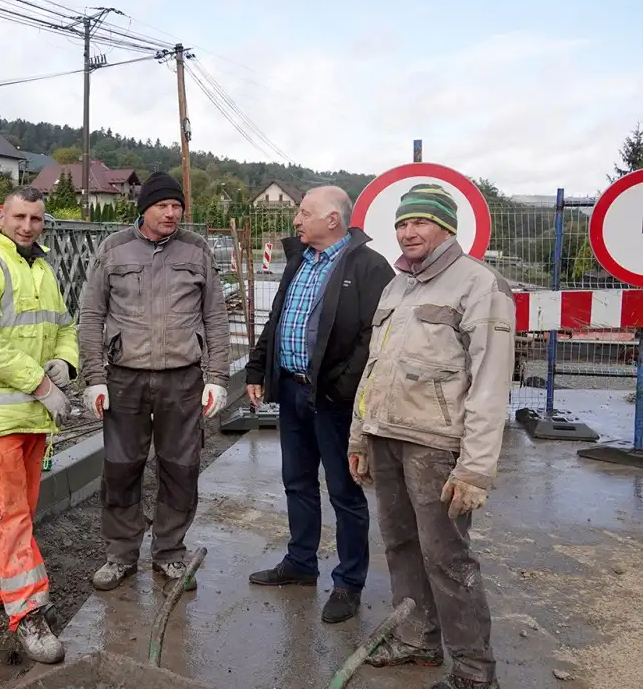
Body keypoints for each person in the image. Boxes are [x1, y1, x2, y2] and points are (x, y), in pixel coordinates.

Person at [347, 183, 514, 689]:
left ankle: (473, 672)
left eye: (419, 222)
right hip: (386, 435)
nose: (407, 232)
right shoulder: (397, 287)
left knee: (447, 557)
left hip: (437, 447)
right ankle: (417, 641)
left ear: (446, 227)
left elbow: (490, 382)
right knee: (399, 544)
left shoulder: (479, 285)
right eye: (401, 224)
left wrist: (476, 468)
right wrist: (359, 435)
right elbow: (374, 368)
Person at [243, 186, 395, 623]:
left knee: (345, 492)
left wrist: (343, 388)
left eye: (303, 213)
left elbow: (373, 336)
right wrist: (257, 369)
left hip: (334, 399)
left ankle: (348, 583)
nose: (296, 220)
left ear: (332, 219)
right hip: (292, 391)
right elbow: (278, 318)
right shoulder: (299, 261)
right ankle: (301, 563)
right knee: (297, 481)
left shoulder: (369, 267)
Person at [77, 172, 229, 593]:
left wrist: (216, 377)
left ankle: (170, 553)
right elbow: (91, 315)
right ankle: (120, 554)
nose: (171, 213)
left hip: (183, 379)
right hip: (125, 379)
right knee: (122, 468)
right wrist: (94, 377)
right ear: (143, 209)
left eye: (177, 206)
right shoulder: (114, 249)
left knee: (180, 468)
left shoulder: (196, 251)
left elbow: (215, 316)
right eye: (163, 205)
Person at [0, 186, 78, 665]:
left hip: (32, 417)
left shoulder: (41, 270)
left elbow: (65, 325)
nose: (27, 226)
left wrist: (66, 362)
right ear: (0, 217)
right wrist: (42, 383)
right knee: (12, 515)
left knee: (13, 513)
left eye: (36, 219)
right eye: (20, 217)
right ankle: (27, 612)